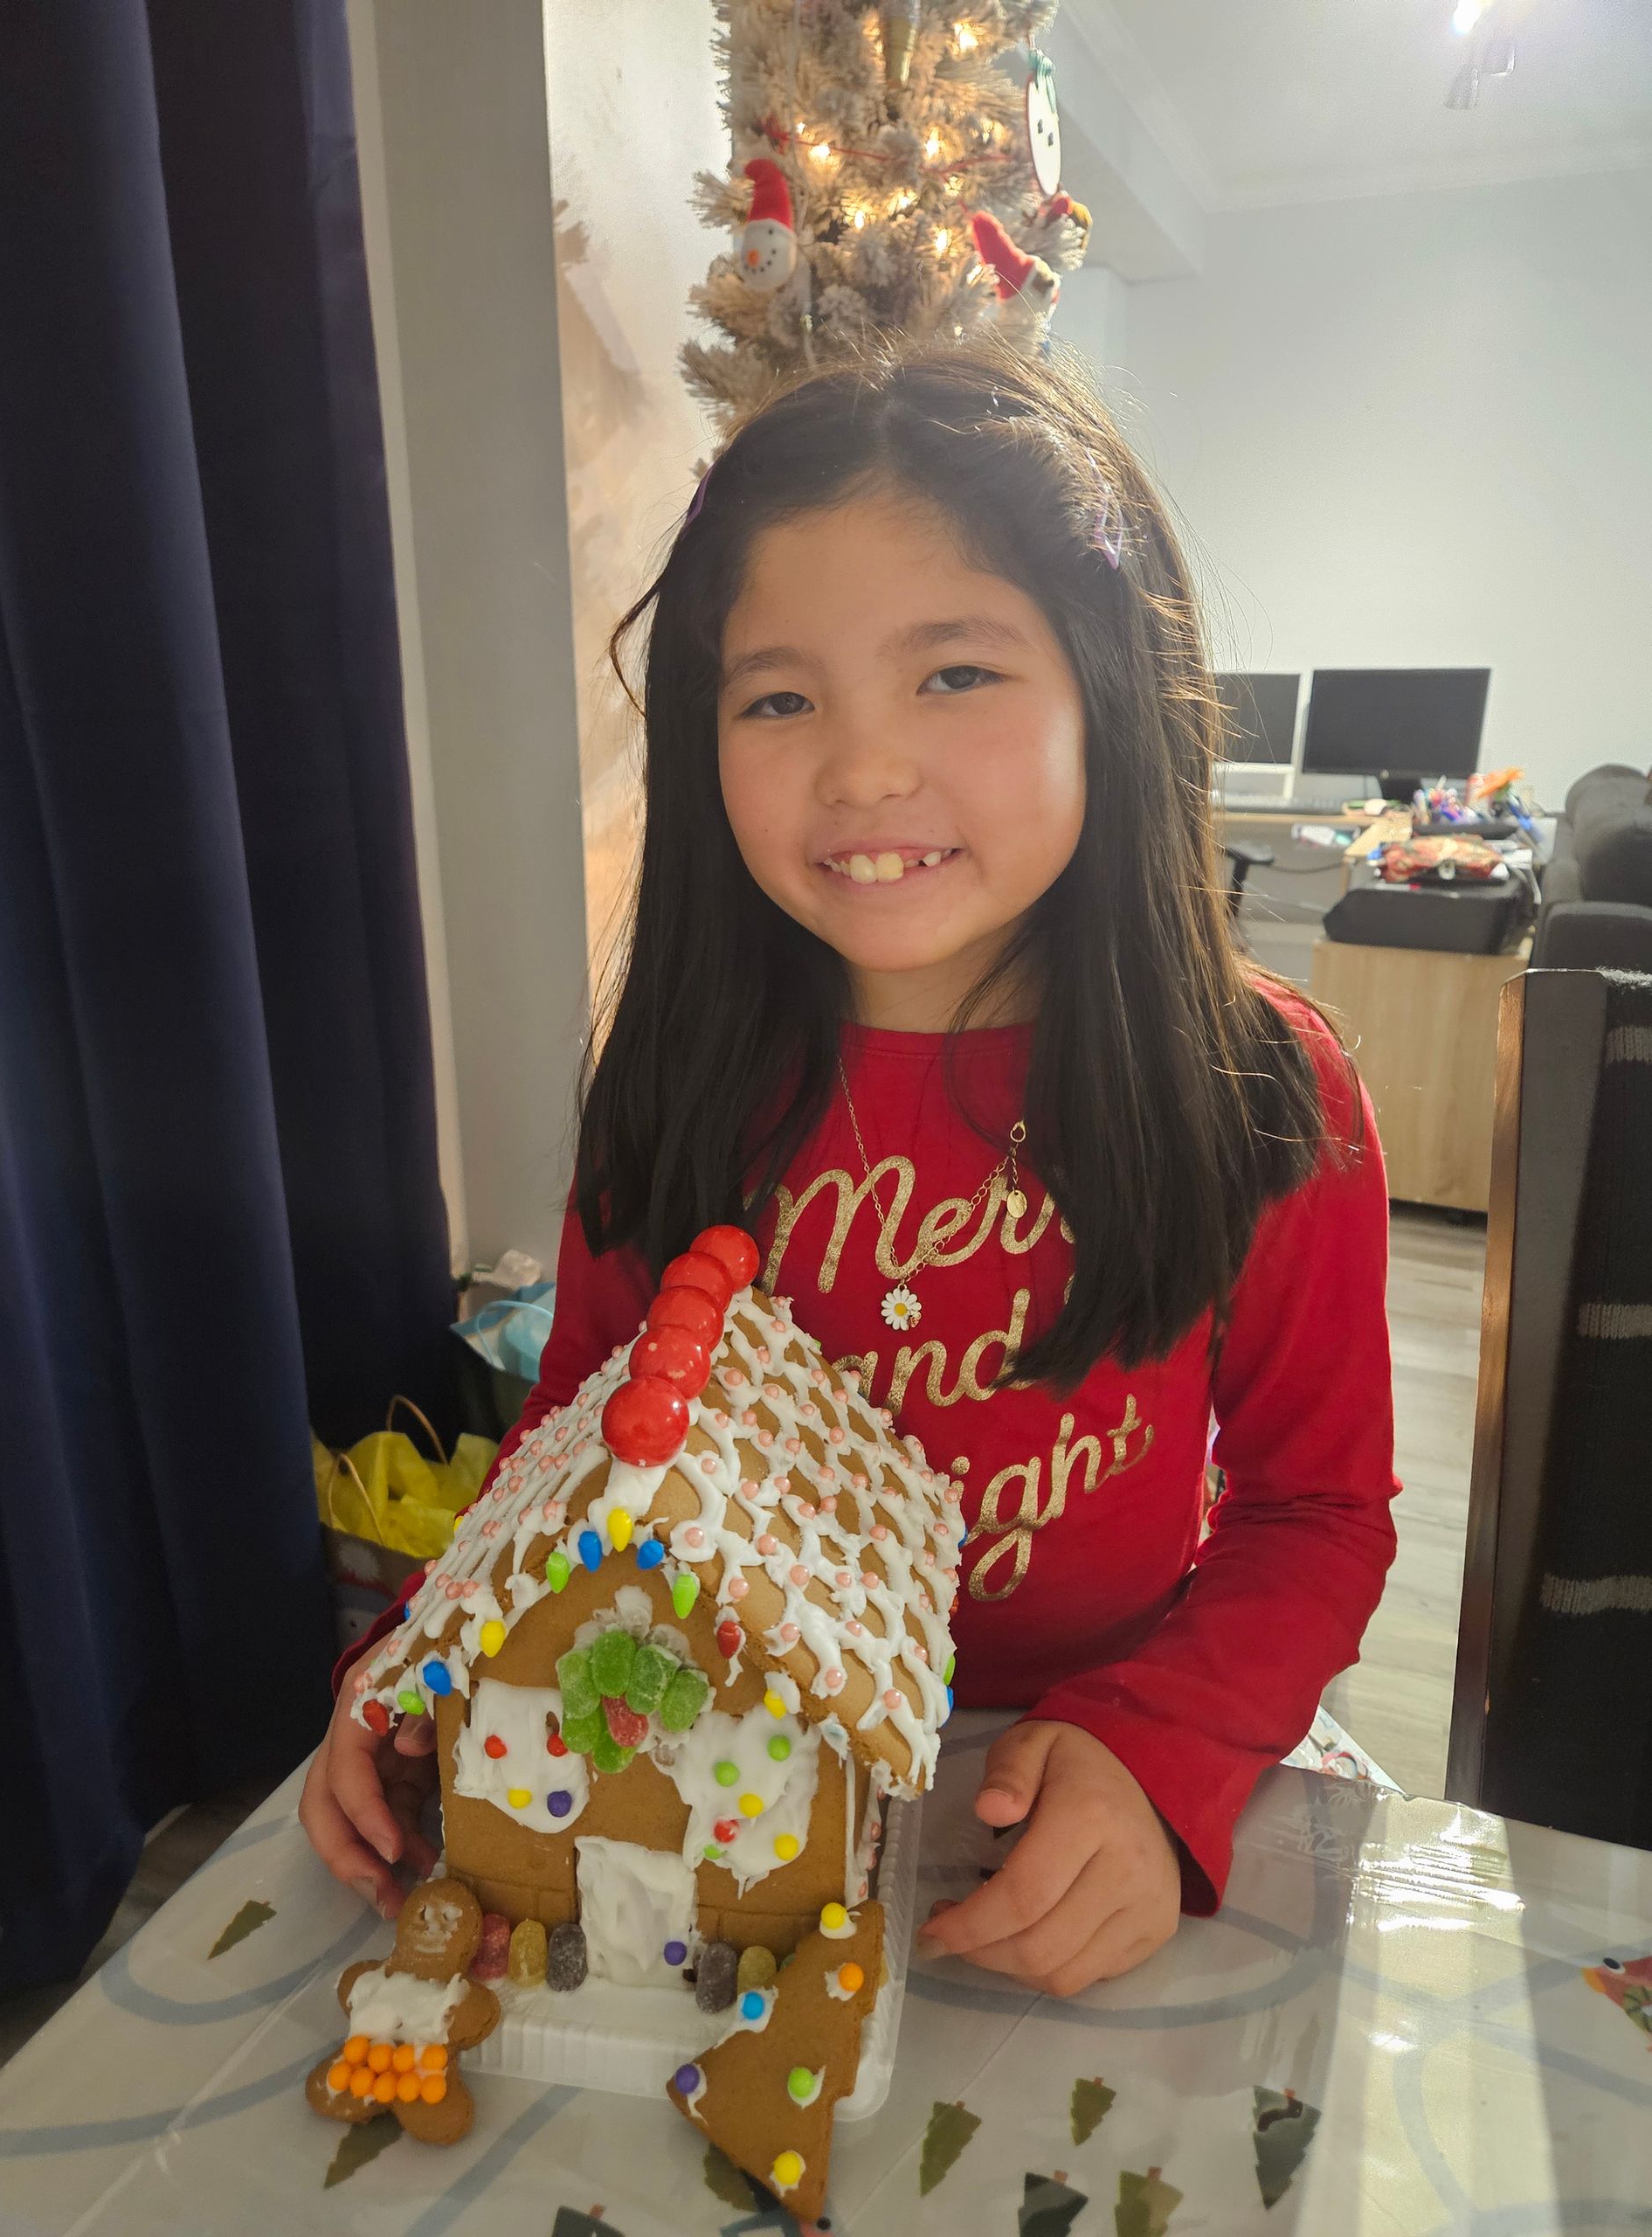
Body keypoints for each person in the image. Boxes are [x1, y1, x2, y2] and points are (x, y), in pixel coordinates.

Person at [301, 338, 1399, 1997]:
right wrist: (421, 1656)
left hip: (1072, 1776)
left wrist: (1161, 1740)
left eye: (955, 673)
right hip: (708, 1772)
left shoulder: (1257, 1090)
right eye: (779, 697)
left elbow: (1316, 1509)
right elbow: (576, 1433)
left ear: (1111, 690)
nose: (864, 766)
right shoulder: (681, 1077)